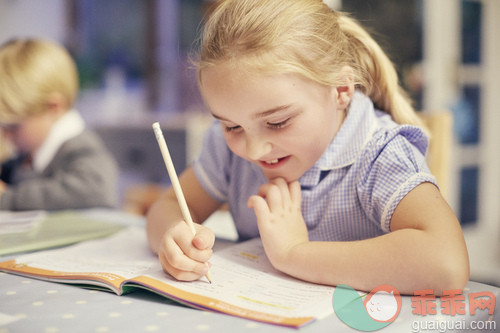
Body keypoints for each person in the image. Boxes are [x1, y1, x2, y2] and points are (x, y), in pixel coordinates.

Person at [146, 0, 469, 295]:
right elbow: (172, 203)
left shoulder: (379, 153)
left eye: (278, 122)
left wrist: (294, 253)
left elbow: (446, 264)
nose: (255, 150)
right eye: (231, 125)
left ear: (341, 89)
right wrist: (173, 237)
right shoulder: (227, 146)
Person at [0, 38, 118, 210]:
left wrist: (7, 198)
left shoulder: (80, 147)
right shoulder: (29, 154)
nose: (5, 135)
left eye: (13, 127)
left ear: (54, 108)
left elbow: (96, 190)